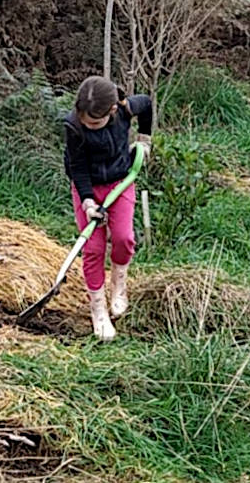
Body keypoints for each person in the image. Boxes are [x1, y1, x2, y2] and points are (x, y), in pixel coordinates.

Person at [64, 76, 152, 341]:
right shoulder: (73, 126)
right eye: (85, 121)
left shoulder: (125, 108)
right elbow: (77, 167)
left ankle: (119, 285)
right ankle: (98, 309)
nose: (89, 126)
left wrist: (144, 141)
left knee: (124, 238)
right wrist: (88, 202)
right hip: (89, 187)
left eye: (95, 123)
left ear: (111, 111)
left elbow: (147, 103)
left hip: (120, 181)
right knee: (93, 248)